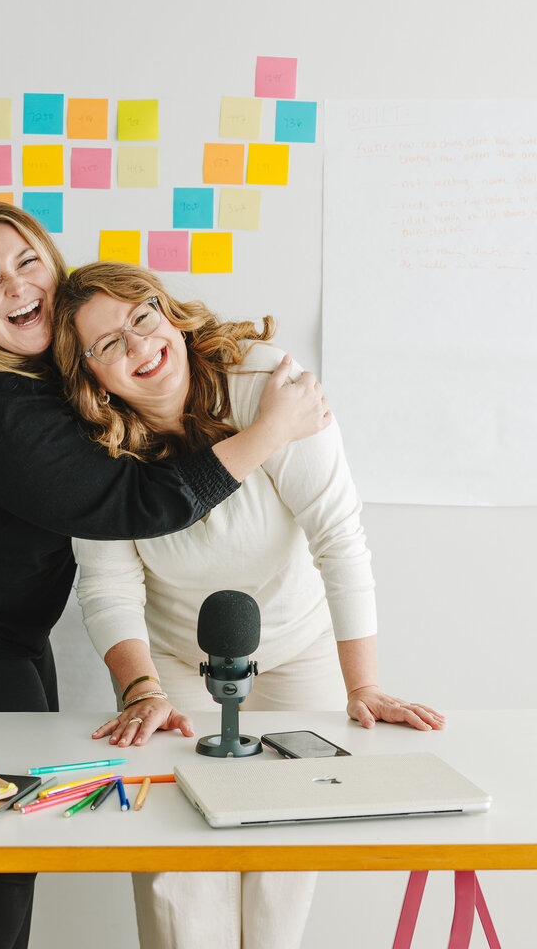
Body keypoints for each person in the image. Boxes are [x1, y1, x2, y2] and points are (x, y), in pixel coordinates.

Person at [0, 201, 331, 949]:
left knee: (18, 828)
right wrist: (271, 431)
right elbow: (132, 502)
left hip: (1, 623)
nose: (15, 285)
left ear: (54, 264)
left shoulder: (56, 376)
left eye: (27, 261)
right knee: (7, 835)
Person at [51, 260, 445, 949]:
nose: (139, 345)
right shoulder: (92, 448)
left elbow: (339, 540)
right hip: (173, 659)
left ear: (169, 313)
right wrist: (140, 689)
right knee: (181, 859)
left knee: (281, 860)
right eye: (108, 344)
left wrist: (366, 687)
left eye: (142, 317)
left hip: (298, 648)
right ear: (90, 378)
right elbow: (109, 583)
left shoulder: (268, 386)